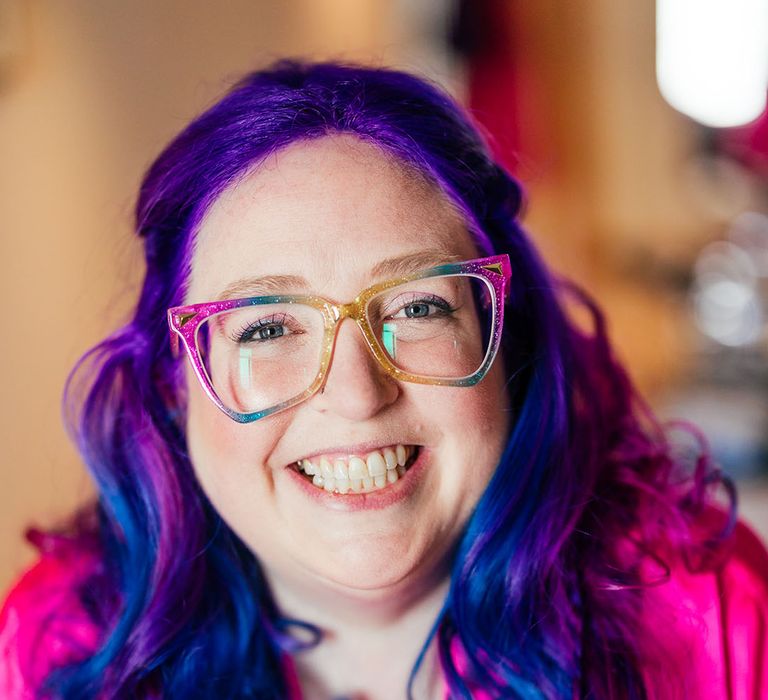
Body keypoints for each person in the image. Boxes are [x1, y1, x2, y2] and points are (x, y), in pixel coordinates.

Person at [1, 60, 767, 700]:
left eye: (419, 306)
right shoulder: (52, 649)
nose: (358, 395)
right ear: (175, 385)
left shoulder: (714, 619)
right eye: (267, 327)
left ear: (505, 339)